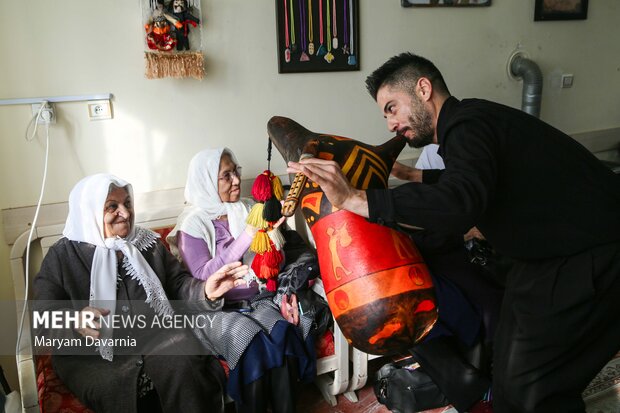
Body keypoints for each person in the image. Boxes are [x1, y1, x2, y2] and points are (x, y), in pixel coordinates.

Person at [287, 52, 620, 412]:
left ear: (423, 89)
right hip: (543, 257)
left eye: (392, 108)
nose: (390, 124)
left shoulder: (468, 126)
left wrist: (355, 198)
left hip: (589, 254)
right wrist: (418, 176)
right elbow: (475, 179)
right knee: (509, 373)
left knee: (533, 389)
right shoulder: (472, 122)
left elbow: (461, 201)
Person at [33, 174, 249, 413]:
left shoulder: (148, 244)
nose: (125, 213)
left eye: (127, 203)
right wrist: (75, 321)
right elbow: (43, 318)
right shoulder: (62, 256)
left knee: (184, 366)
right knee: (117, 389)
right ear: (89, 212)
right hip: (94, 358)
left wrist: (205, 291)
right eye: (112, 207)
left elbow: (178, 285)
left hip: (158, 338)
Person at [167, 148, 316, 413]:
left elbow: (274, 264)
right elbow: (203, 276)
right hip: (216, 310)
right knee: (252, 343)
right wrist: (248, 234)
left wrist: (274, 241)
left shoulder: (249, 207)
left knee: (284, 333)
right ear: (206, 181)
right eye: (226, 175)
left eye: (236, 171)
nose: (236, 180)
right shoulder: (193, 223)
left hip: (259, 299)